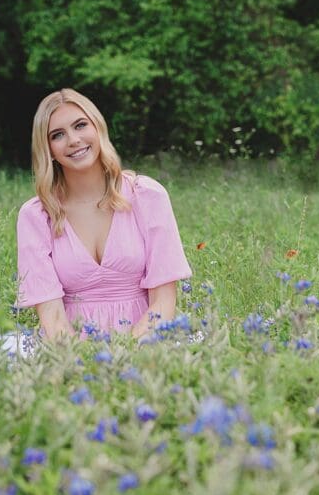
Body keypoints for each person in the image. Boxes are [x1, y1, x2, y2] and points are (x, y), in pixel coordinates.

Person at [15, 89, 191, 341]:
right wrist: (86, 364)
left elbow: (163, 302)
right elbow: (52, 319)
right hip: (69, 352)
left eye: (80, 125)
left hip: (150, 345)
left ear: (98, 127)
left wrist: (125, 356)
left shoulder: (146, 196)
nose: (74, 140)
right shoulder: (36, 216)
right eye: (58, 135)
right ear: (48, 149)